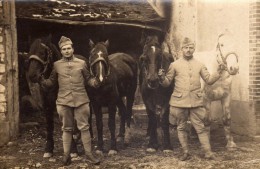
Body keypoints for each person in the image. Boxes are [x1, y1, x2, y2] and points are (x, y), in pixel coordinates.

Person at [158, 37, 224, 161]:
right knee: (181, 127)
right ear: (182, 49)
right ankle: (185, 152)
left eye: (191, 48)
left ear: (194, 49)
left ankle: (208, 152)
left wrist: (218, 73)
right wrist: (161, 78)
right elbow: (167, 83)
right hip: (179, 102)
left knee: (200, 127)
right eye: (186, 48)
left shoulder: (199, 65)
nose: (188, 50)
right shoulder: (174, 65)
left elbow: (209, 80)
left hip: (196, 102)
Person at [39, 36, 100, 166]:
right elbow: (51, 82)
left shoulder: (82, 63)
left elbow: (88, 79)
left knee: (84, 128)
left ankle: (89, 154)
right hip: (63, 101)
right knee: (66, 129)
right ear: (61, 51)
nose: (67, 51)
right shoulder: (56, 65)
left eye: (68, 48)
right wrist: (42, 80)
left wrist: (95, 82)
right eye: (64, 49)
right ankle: (66, 156)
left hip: (81, 100)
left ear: (73, 49)